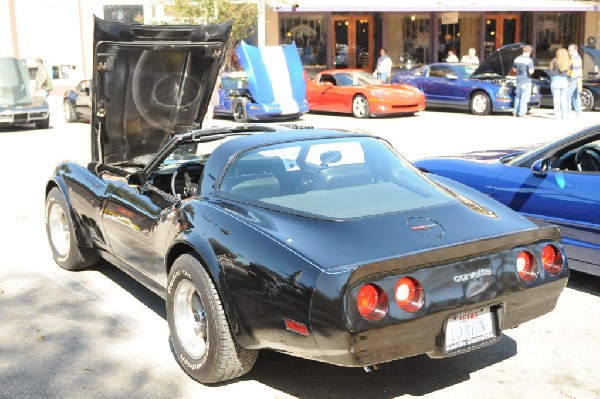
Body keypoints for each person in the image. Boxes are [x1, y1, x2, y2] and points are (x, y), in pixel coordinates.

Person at [511, 44, 535, 117]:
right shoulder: (529, 60)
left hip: (518, 79)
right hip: (526, 80)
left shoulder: (517, 58)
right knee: (524, 97)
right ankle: (522, 113)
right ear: (530, 51)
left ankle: (515, 112)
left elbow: (514, 69)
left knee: (518, 96)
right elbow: (531, 71)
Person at [549, 48, 570, 119]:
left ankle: (557, 116)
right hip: (564, 81)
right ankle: (565, 116)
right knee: (563, 99)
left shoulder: (554, 61)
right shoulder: (567, 62)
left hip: (555, 81)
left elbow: (550, 71)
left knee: (556, 100)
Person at [567, 43, 583, 117]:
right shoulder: (576, 57)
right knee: (575, 95)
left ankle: (567, 111)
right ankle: (578, 111)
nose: (569, 52)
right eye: (568, 50)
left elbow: (574, 71)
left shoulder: (575, 59)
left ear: (575, 50)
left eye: (571, 50)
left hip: (573, 79)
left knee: (568, 95)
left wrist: (569, 80)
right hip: (576, 80)